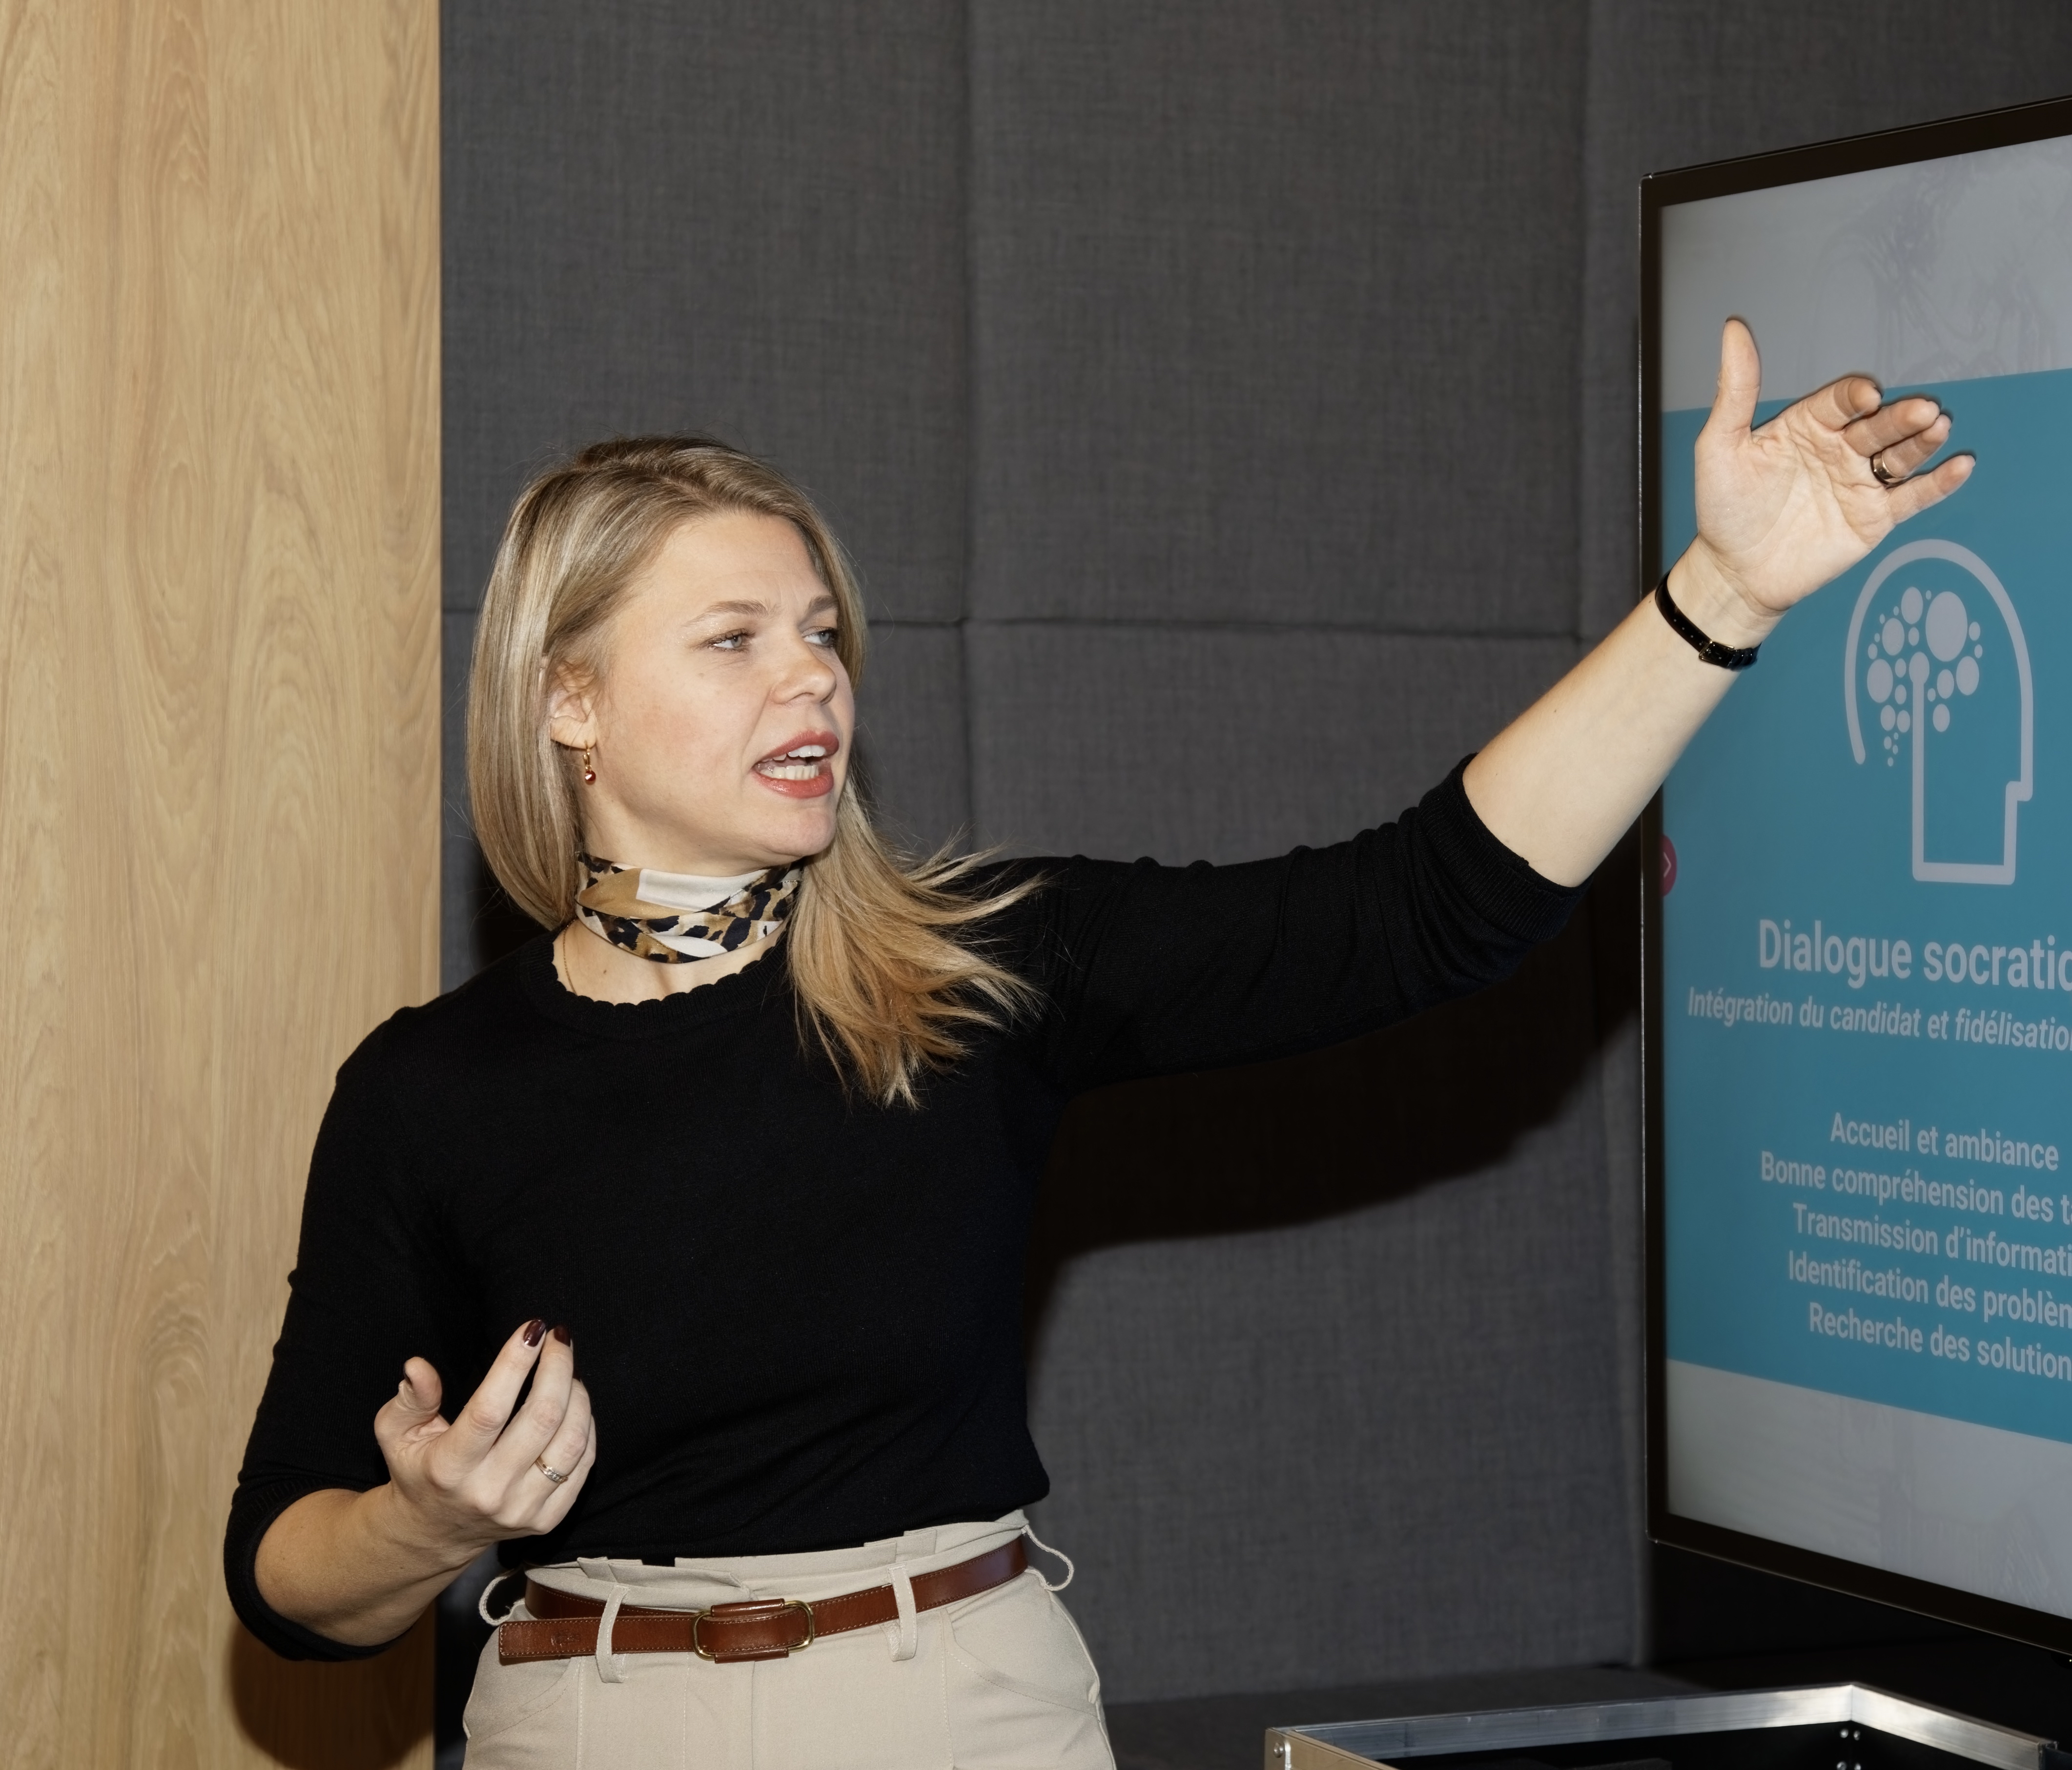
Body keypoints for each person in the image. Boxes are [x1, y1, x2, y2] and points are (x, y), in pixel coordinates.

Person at [224, 320, 1967, 1769]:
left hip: (959, 1714)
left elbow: (1425, 907)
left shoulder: (983, 969)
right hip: (582, 1720)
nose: (814, 682)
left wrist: (1720, 595)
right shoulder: (429, 1088)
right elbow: (286, 1575)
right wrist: (435, 1524)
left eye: (825, 634)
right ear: (569, 697)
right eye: (737, 640)